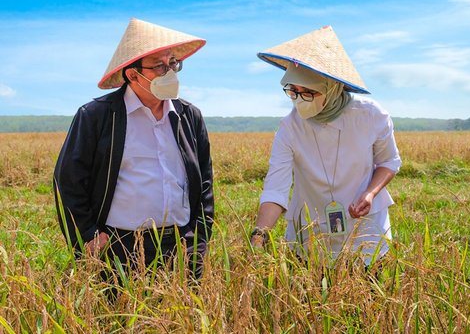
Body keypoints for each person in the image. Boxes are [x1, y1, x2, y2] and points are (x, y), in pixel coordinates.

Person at [53, 18, 214, 278]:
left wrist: (198, 239)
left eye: (173, 63)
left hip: (179, 245)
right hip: (118, 247)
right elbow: (67, 181)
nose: (170, 73)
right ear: (132, 74)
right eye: (160, 67)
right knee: (116, 317)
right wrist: (87, 236)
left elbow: (204, 181)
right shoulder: (98, 116)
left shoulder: (188, 116)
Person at [251, 25, 401, 266]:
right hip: (312, 229)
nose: (299, 100)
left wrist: (370, 193)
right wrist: (260, 233)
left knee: (366, 297)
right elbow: (276, 186)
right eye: (293, 91)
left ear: (332, 88)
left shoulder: (371, 115)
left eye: (308, 92)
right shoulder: (290, 126)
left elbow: (388, 162)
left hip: (365, 230)